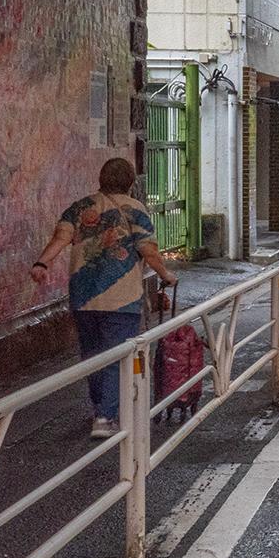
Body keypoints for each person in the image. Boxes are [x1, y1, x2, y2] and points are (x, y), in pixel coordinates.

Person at [32, 158, 177, 439]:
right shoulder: (136, 210)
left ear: (101, 179)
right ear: (130, 183)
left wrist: (41, 263)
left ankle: (101, 406)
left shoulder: (81, 208)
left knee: (92, 355)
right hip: (121, 299)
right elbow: (148, 250)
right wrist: (166, 274)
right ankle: (105, 416)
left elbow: (60, 238)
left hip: (83, 297)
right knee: (115, 356)